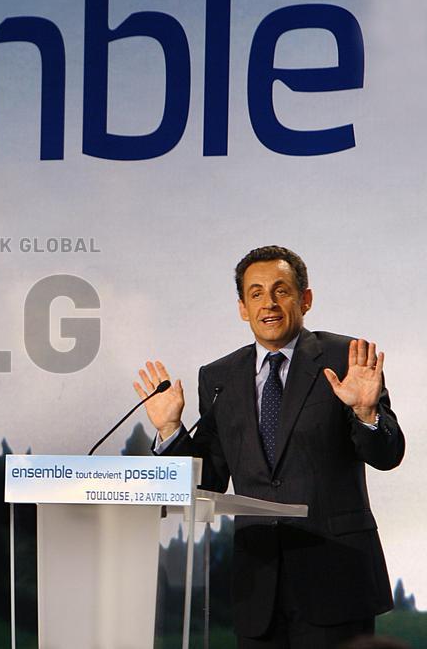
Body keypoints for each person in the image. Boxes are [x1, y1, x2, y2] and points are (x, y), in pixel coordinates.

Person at [133, 246, 405, 649]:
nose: (269, 304)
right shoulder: (219, 377)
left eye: (281, 290)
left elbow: (387, 454)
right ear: (243, 308)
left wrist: (366, 411)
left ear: (305, 299)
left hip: (336, 577)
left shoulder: (345, 358)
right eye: (256, 293)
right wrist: (171, 429)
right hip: (258, 586)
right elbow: (208, 480)